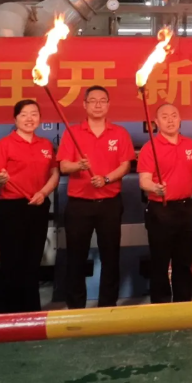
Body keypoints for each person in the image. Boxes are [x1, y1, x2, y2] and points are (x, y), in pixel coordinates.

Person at [57, 85, 136, 308]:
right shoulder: (72, 132)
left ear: (108, 105)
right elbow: (63, 166)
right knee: (76, 257)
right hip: (79, 205)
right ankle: (76, 307)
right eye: (93, 101)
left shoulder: (119, 133)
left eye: (102, 100)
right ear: (85, 105)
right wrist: (78, 166)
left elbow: (125, 165)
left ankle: (107, 306)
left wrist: (106, 179)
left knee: (110, 256)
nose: (98, 105)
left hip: (109, 204)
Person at [0, 99, 59, 313]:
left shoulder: (45, 145)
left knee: (32, 261)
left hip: (38, 205)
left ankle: (31, 313)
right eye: (24, 114)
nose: (29, 118)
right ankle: (7, 315)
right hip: (11, 209)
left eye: (34, 114)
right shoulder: (3, 145)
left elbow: (54, 174)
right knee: (12, 262)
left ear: (40, 118)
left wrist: (43, 193)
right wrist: (0, 179)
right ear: (15, 118)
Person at [138, 103, 192, 303]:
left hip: (185, 208)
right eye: (165, 117)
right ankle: (161, 307)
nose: (170, 120)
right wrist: (155, 187)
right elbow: (144, 180)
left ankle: (182, 304)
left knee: (184, 262)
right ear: (156, 122)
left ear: (180, 119)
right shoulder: (150, 147)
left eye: (174, 115)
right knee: (160, 262)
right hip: (160, 210)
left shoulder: (189, 144)